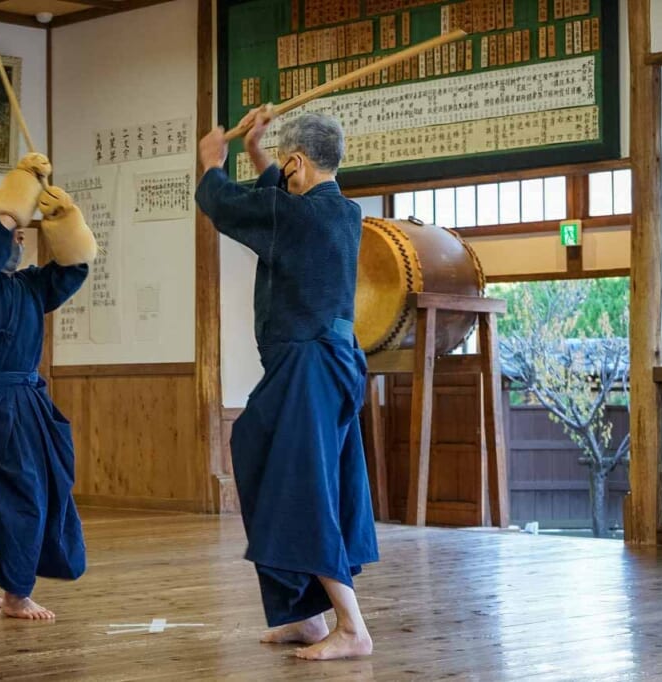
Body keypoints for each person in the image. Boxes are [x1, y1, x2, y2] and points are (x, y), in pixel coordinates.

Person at [195, 108, 379, 660]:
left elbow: (229, 205)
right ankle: (304, 616)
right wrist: (256, 151)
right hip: (331, 362)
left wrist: (211, 164)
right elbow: (277, 200)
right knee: (257, 449)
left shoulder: (295, 217)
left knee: (304, 488)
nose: (283, 176)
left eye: (285, 166)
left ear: (297, 162)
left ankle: (351, 626)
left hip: (309, 366)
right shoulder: (344, 213)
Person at [0, 152, 99, 620]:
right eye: (10, 234)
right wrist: (25, 183)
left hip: (26, 398)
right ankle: (16, 593)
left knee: (22, 490)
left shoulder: (31, 286)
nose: (15, 239)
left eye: (20, 235)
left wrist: (63, 216)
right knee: (23, 493)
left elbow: (74, 269)